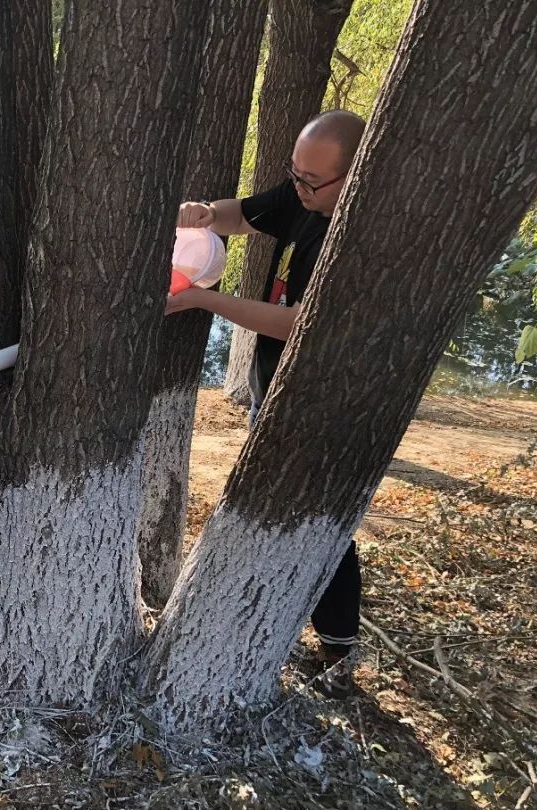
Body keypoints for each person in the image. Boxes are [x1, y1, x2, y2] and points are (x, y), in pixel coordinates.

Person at [168, 109, 367, 676]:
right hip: (270, 386)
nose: (298, 189)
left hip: (316, 399)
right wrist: (207, 213)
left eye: (311, 181)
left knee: (319, 519)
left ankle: (338, 645)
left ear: (354, 175)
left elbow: (297, 322)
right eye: (295, 174)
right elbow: (245, 213)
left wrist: (204, 300)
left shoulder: (353, 235)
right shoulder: (305, 196)